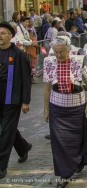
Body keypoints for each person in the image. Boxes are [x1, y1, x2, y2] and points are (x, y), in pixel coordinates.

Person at [43, 36, 87, 188]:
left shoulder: (78, 62)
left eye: (62, 52)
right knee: (59, 143)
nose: (59, 55)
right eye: (56, 52)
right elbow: (47, 88)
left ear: (69, 50)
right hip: (57, 109)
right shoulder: (49, 63)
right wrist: (46, 109)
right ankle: (64, 174)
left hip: (76, 109)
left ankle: (78, 161)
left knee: (76, 140)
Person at [0, 21, 32, 179]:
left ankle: (1, 166)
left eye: (3, 33)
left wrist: (26, 100)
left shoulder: (18, 54)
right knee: (8, 127)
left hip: (12, 98)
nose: (0, 36)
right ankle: (23, 146)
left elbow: (26, 78)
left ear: (10, 36)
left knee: (5, 130)